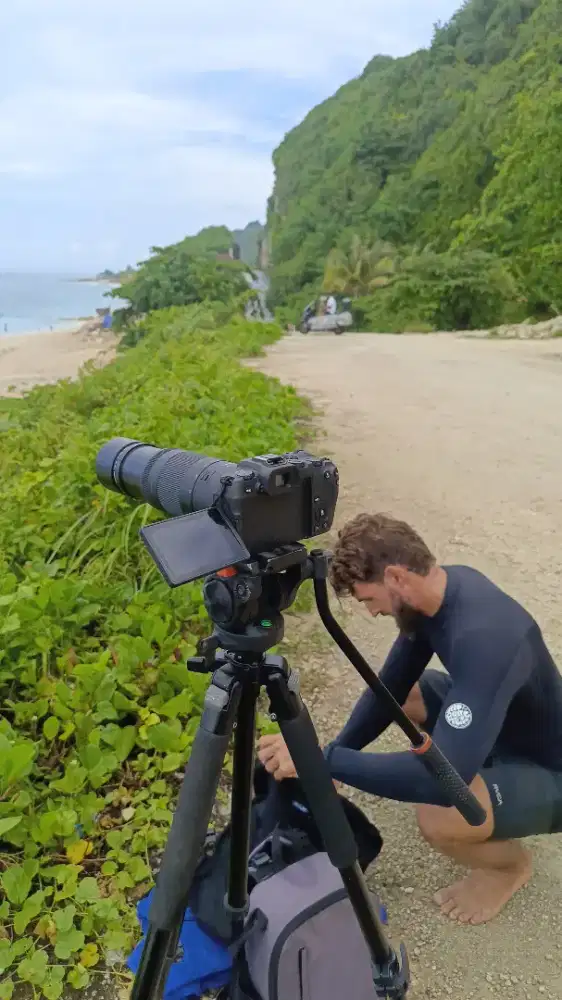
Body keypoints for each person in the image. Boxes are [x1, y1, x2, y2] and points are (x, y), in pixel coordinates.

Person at [258, 513, 562, 925]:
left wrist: (323, 759)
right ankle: (487, 784)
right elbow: (390, 687)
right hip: (499, 724)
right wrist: (341, 752)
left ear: (397, 578)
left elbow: (439, 782)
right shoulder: (437, 594)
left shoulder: (488, 640)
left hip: (548, 768)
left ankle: (508, 868)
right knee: (411, 694)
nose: (372, 613)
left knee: (438, 813)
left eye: (368, 600)